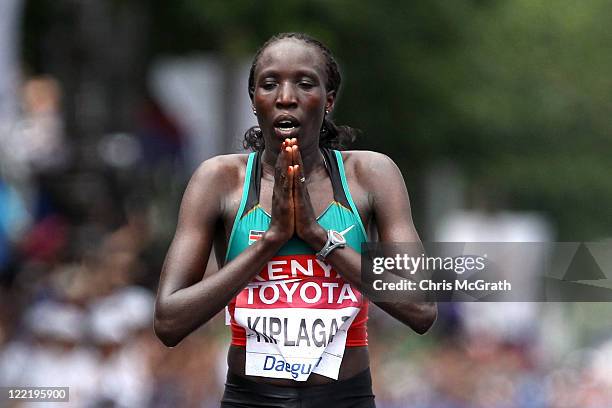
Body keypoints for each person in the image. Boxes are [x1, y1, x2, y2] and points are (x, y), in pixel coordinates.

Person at [154, 32, 437, 407]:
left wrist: (320, 238)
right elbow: (169, 322)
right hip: (250, 399)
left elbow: (421, 308)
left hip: (345, 397)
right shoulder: (219, 181)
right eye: (269, 84)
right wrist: (270, 241)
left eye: (305, 84)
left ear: (329, 100)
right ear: (255, 101)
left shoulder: (371, 175)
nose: (286, 97)